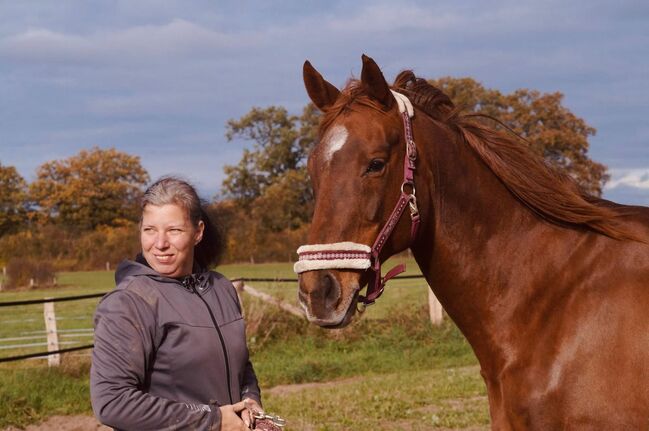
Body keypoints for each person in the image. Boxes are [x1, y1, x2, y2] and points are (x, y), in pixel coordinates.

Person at [91, 176, 262, 431]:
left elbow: (240, 364)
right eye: (150, 230)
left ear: (198, 232)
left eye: (174, 230)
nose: (160, 243)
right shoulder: (128, 302)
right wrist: (214, 421)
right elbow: (112, 401)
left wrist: (250, 401)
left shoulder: (221, 288)